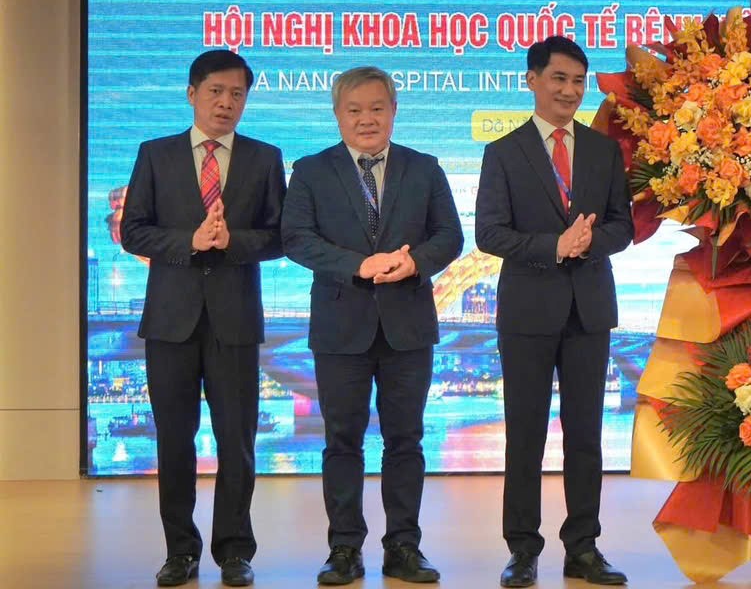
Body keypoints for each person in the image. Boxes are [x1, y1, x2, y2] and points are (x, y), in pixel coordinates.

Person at [282, 66, 463, 585]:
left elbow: (449, 236)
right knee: (342, 441)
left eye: (377, 108)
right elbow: (296, 238)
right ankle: (344, 549)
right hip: (340, 326)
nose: (367, 119)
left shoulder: (424, 168)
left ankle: (404, 546)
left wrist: (415, 263)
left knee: (406, 441)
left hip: (408, 325)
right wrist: (358, 265)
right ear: (338, 115)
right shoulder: (311, 171)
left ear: (394, 111)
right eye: (355, 110)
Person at [121, 50, 285, 587]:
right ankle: (180, 551)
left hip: (234, 320)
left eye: (237, 94)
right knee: (174, 440)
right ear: (192, 93)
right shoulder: (156, 154)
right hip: (170, 321)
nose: (226, 102)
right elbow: (133, 231)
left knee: (237, 441)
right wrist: (189, 241)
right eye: (216, 91)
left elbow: (281, 235)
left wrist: (232, 241)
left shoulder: (265, 158)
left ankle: (235, 552)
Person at [475, 36, 634, 587]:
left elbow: (622, 226)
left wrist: (588, 243)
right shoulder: (504, 152)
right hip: (527, 312)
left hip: (589, 311)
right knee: (525, 435)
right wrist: (554, 246)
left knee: (586, 435)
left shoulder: (603, 151)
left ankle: (583, 547)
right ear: (532, 80)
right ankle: (522, 549)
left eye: (578, 81)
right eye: (558, 78)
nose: (569, 90)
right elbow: (489, 232)